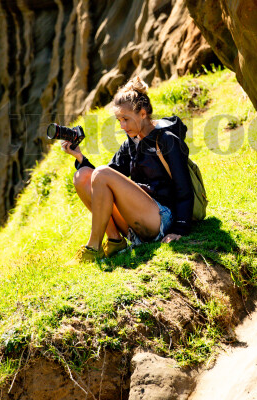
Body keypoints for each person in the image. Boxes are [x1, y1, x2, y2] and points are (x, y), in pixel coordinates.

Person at [61, 76, 194, 262]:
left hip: (161, 219)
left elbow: (184, 187)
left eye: (126, 119)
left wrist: (179, 229)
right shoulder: (131, 143)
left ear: (143, 113)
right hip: (136, 219)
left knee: (101, 173)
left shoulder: (167, 139)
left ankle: (93, 248)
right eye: (119, 120)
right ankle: (115, 241)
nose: (122, 126)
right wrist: (80, 158)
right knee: (82, 176)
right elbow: (100, 181)